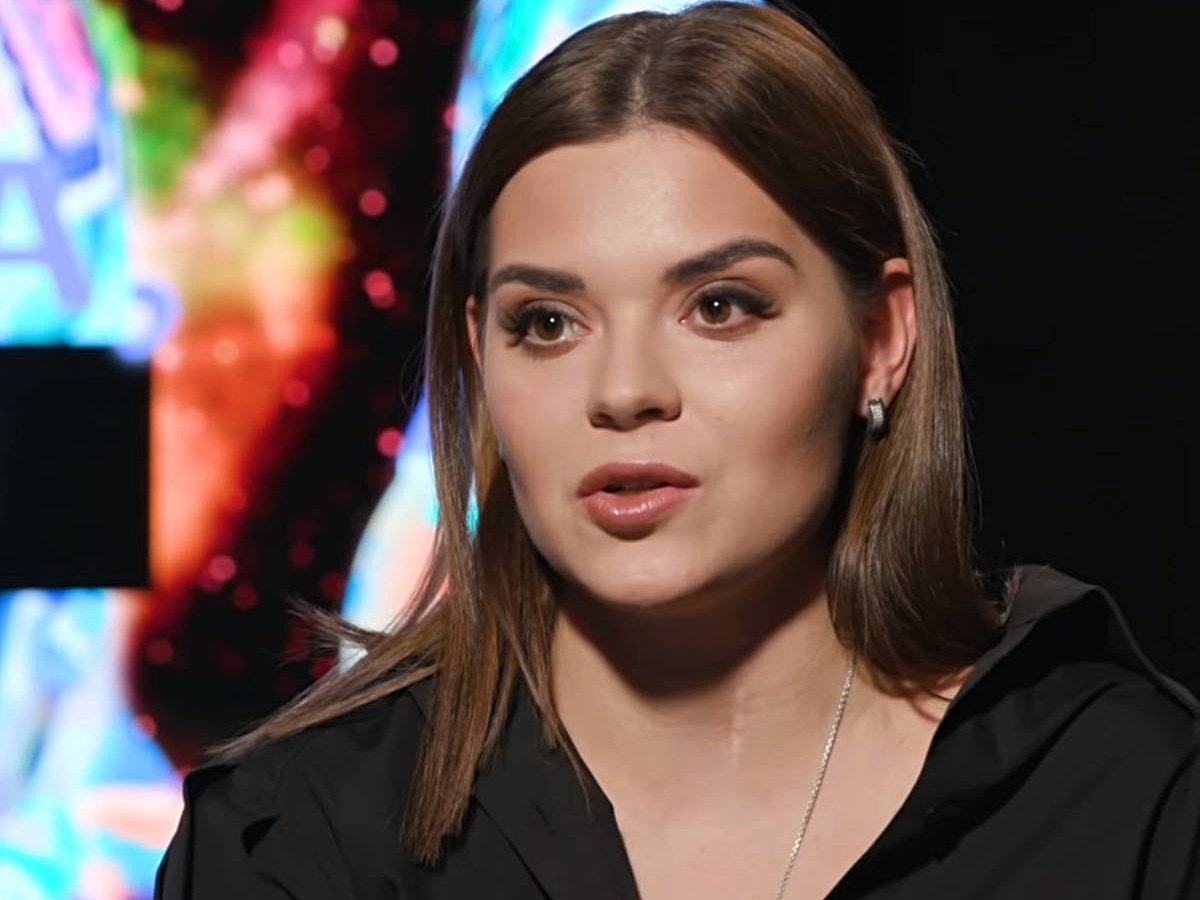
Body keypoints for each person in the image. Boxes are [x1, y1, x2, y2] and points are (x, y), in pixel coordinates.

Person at [153, 3, 1200, 898]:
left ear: (883, 340)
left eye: (720, 306)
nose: (625, 393)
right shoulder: (298, 838)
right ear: (478, 355)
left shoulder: (1116, 795)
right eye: (547, 323)